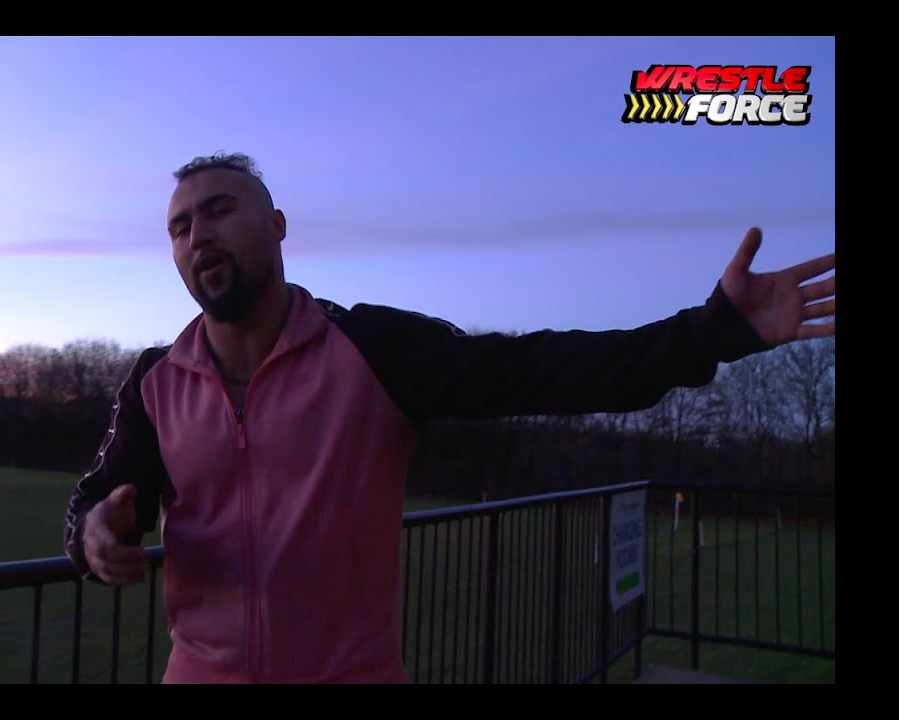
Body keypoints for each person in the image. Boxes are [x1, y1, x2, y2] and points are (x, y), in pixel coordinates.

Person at [62, 152, 835, 684]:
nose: (199, 235)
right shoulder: (153, 382)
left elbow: (546, 369)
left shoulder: (375, 350)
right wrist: (96, 535)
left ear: (276, 225)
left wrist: (712, 332)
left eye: (220, 211)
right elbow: (97, 504)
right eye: (180, 227)